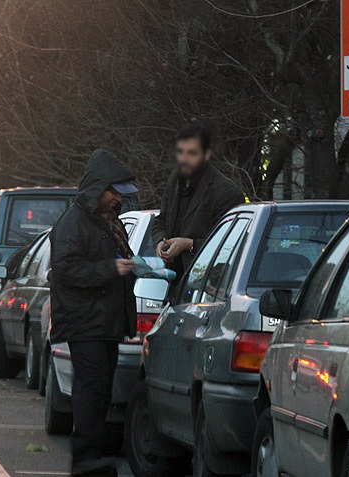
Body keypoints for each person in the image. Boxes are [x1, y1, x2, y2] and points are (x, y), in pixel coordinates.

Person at [50, 150, 138, 477]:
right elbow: (66, 270)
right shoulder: (75, 221)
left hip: (102, 323)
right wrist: (110, 268)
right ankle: (87, 464)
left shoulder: (103, 220)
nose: (118, 198)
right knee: (91, 393)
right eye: (114, 191)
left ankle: (92, 461)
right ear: (98, 188)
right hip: (85, 323)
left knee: (99, 393)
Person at [153, 122, 244, 277]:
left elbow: (229, 244)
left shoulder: (226, 193)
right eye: (180, 152)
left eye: (192, 153)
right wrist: (160, 242)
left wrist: (189, 245)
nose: (184, 159)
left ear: (206, 155)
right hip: (172, 281)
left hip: (206, 281)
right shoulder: (175, 182)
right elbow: (160, 221)